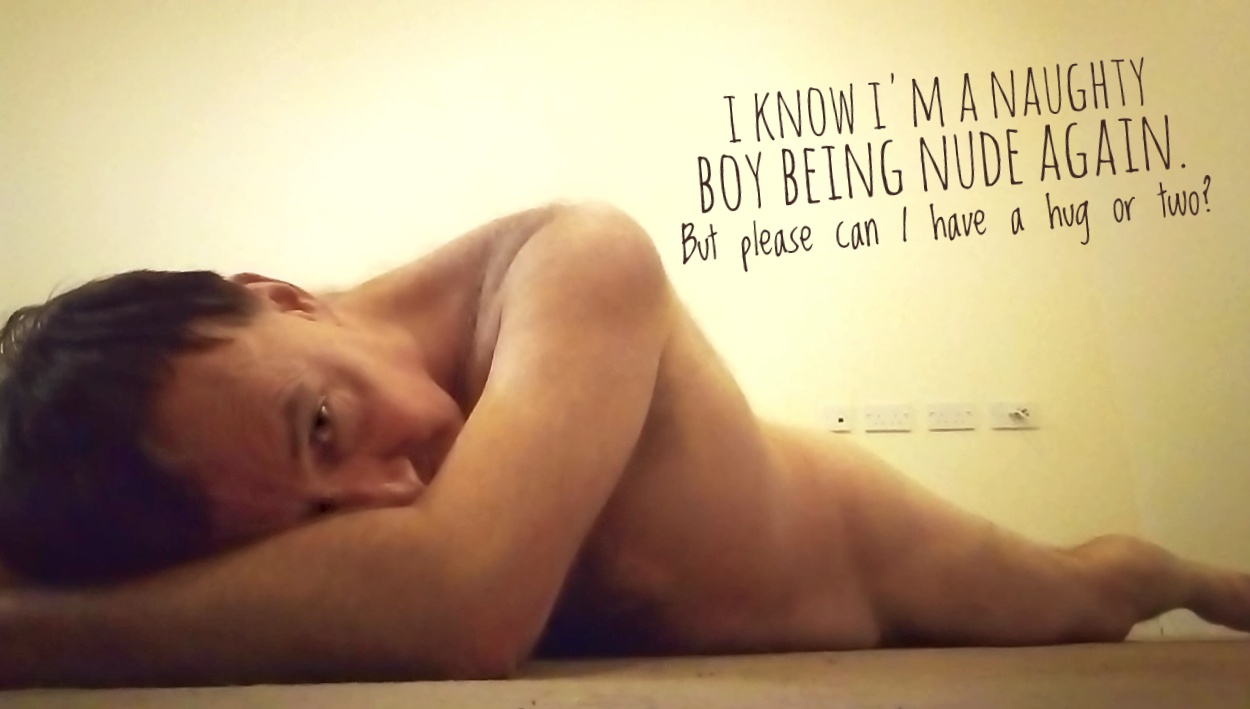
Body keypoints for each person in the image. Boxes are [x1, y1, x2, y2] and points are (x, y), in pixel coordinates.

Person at [0, 202, 1246, 687]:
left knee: (1082, 594)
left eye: (322, 425)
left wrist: (31, 630)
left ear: (281, 296)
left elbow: (461, 603)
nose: (384, 493)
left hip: (857, 546)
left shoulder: (571, 261)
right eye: (309, 527)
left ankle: (1187, 573)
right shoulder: (260, 433)